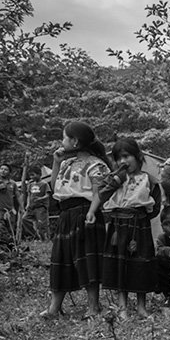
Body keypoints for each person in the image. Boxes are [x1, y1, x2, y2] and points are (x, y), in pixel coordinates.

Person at [43, 120, 111, 318]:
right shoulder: (65, 162)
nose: (61, 141)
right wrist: (55, 162)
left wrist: (92, 211)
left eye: (64, 137)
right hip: (66, 214)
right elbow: (56, 187)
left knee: (87, 259)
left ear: (75, 141)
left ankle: (93, 306)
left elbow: (100, 191)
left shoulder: (96, 164)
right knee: (60, 259)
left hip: (85, 213)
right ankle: (54, 308)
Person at [97, 137, 161, 319]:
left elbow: (155, 207)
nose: (123, 162)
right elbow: (101, 195)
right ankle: (122, 307)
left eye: (127, 156)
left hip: (139, 225)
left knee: (139, 264)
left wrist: (140, 217)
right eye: (118, 158)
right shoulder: (115, 179)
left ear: (138, 156)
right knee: (120, 264)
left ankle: (141, 307)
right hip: (118, 226)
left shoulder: (149, 180)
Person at [0, 162, 18, 243]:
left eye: (5, 169)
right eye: (1, 169)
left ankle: (11, 247)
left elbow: (18, 196)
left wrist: (20, 208)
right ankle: (0, 246)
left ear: (9, 172)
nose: (3, 171)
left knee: (11, 230)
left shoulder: (13, 183)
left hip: (10, 210)